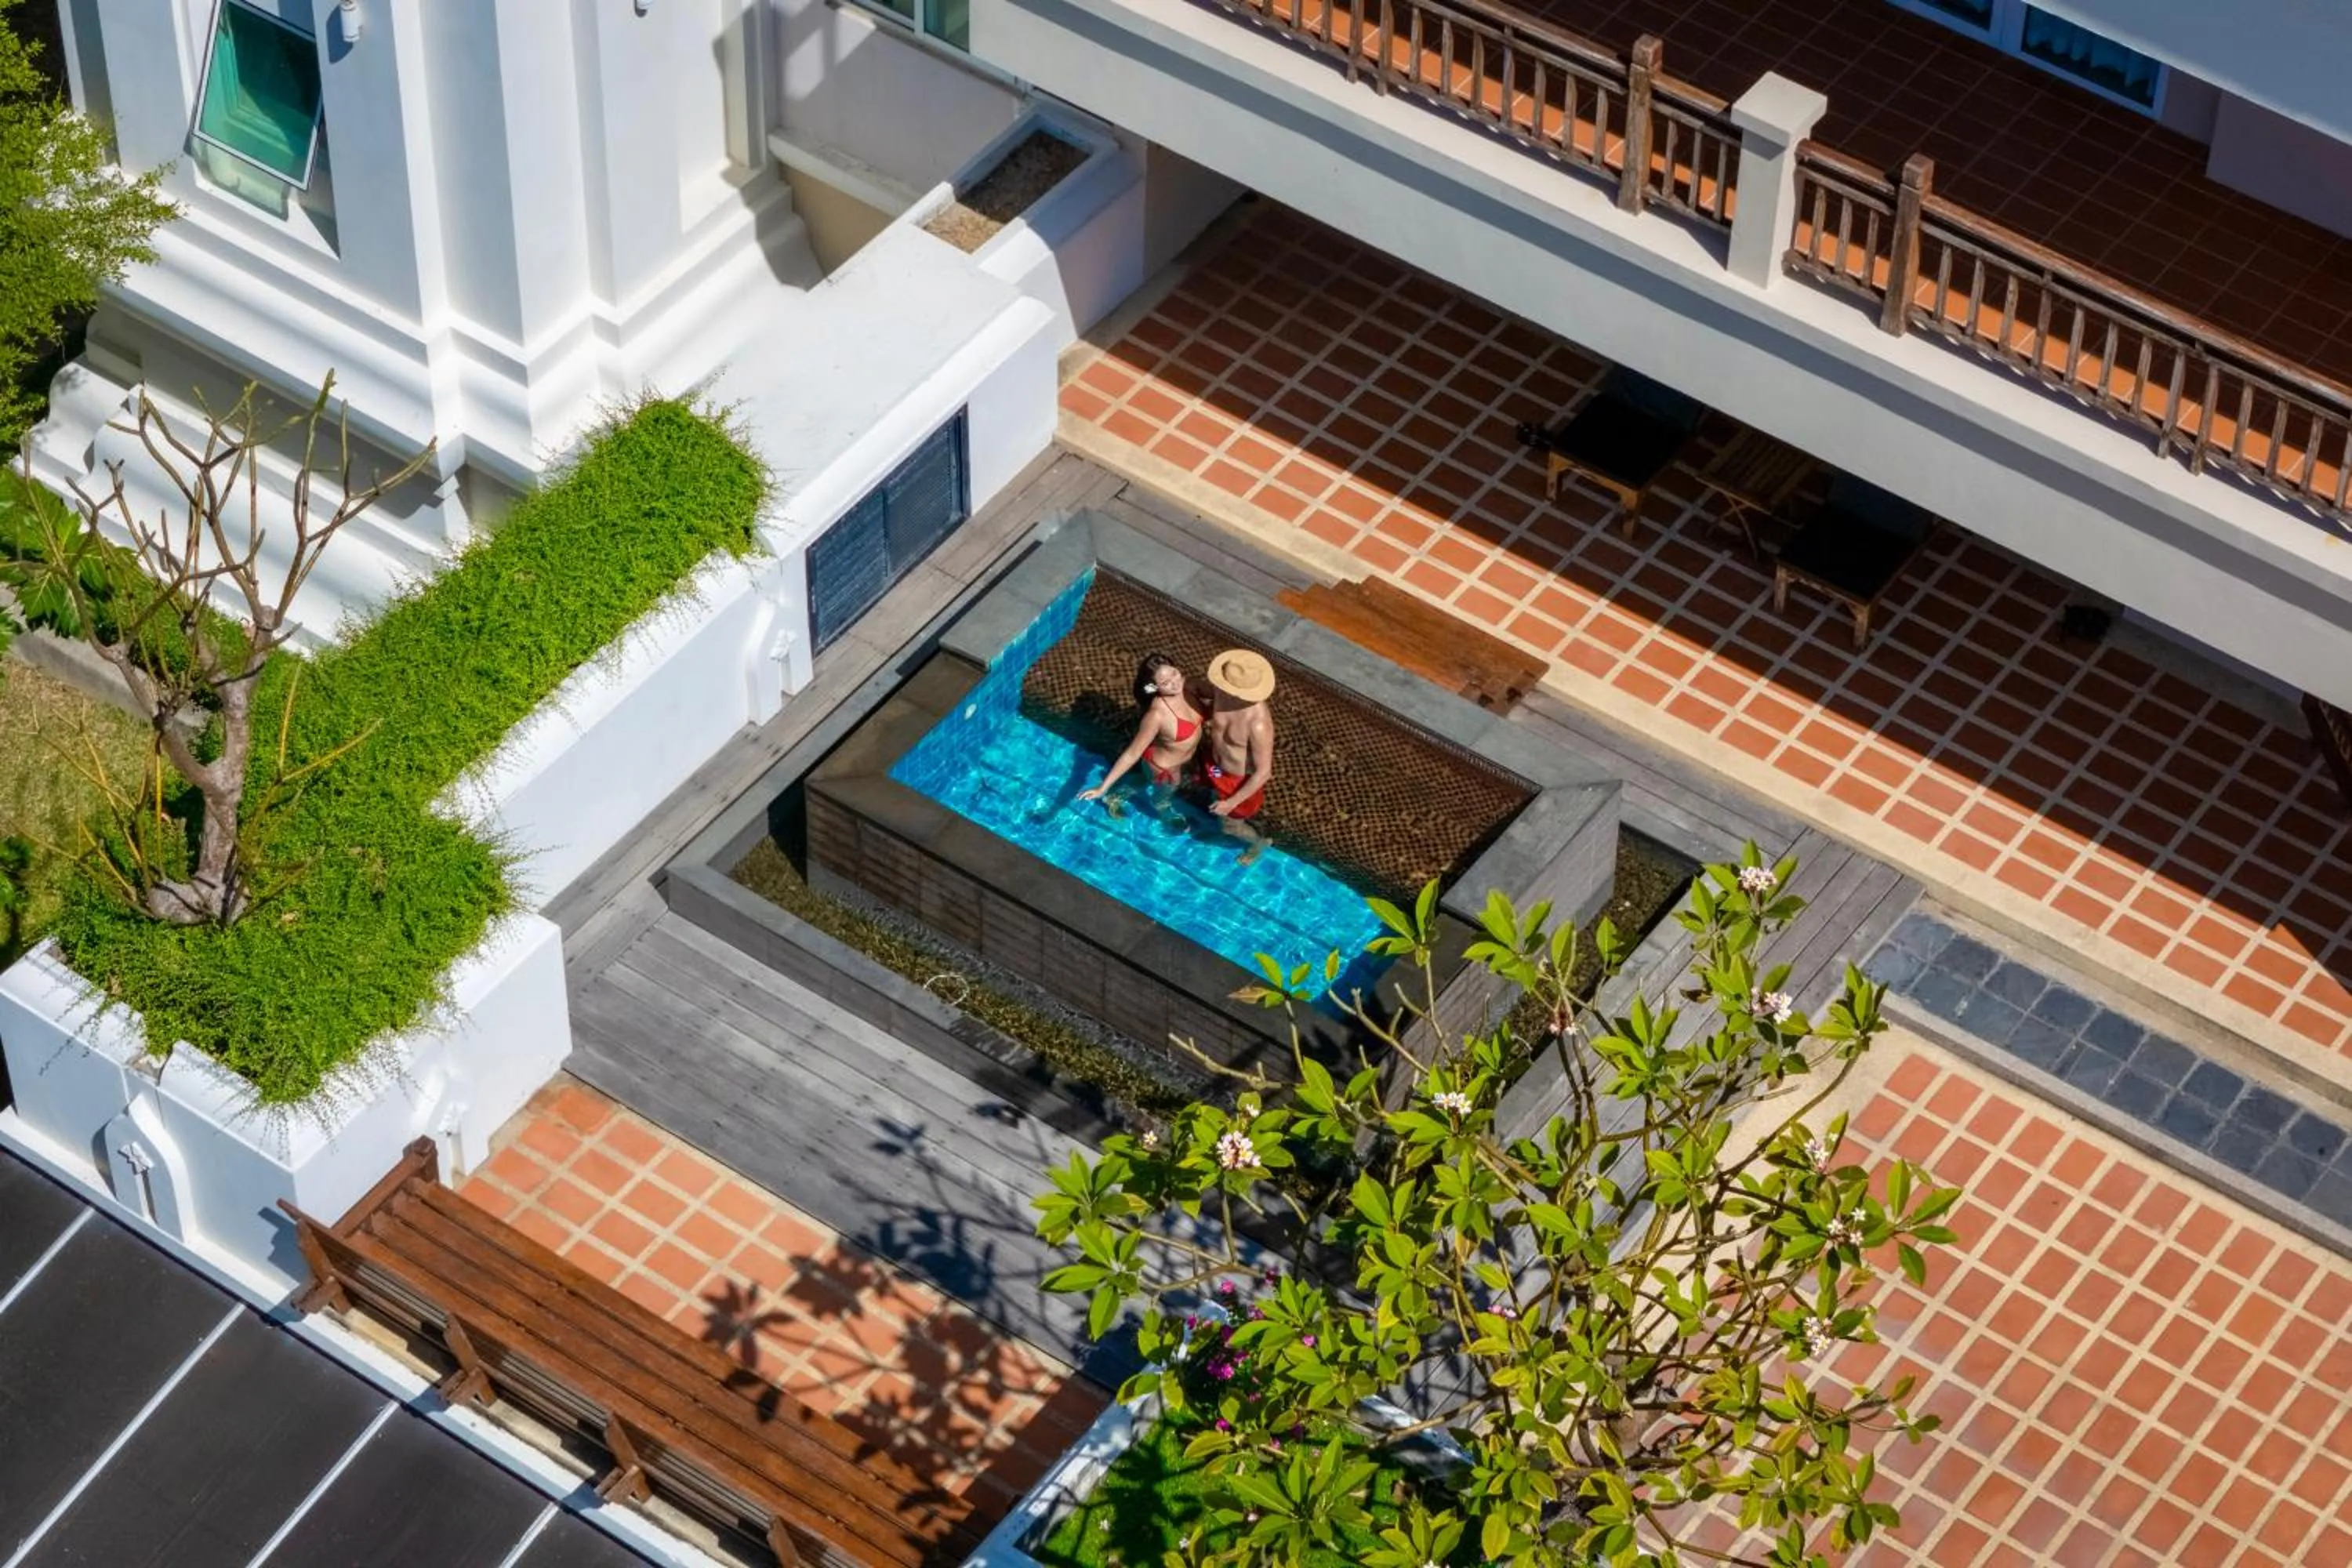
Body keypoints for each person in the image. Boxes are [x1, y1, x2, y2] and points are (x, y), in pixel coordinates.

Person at [1079, 652, 1204, 818]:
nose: (1175, 683)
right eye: (1165, 683)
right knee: (1165, 792)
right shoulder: (1157, 715)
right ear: (1154, 687)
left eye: (1174, 673)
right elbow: (1132, 753)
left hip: (1172, 757)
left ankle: (1117, 794)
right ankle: (1164, 813)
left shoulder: (1190, 686)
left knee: (1144, 779)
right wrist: (1103, 787)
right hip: (1163, 768)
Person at [1200, 648, 1276, 864]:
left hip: (1236, 783)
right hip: (1214, 766)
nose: (1220, 688)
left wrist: (1231, 802)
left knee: (1231, 825)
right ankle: (1219, 814)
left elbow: (1264, 773)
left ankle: (1258, 843)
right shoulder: (1222, 693)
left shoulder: (1258, 724)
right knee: (1212, 798)